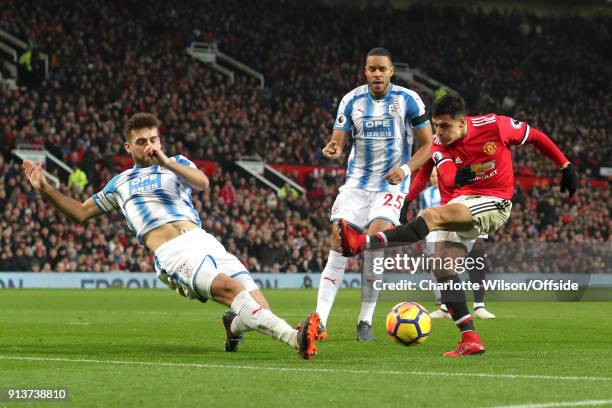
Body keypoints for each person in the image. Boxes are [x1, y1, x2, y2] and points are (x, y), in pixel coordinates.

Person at [23, 113, 321, 360]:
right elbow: (80, 212)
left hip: (203, 240)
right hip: (172, 252)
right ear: (129, 147)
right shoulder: (120, 183)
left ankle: (233, 327)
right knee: (230, 290)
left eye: (153, 139)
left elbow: (203, 183)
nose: (149, 145)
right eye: (141, 142)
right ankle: (295, 339)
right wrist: (46, 190)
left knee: (259, 310)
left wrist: (165, 161)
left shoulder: (176, 163)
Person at [339, 94, 577, 356]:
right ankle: (470, 339)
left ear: (462, 122)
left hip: (496, 200)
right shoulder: (440, 143)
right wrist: (441, 182)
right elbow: (450, 179)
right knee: (442, 267)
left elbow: (535, 136)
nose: (438, 132)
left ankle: (361, 242)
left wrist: (565, 165)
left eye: (444, 126)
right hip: (465, 200)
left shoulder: (495, 126)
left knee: (431, 216)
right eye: (435, 125)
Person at [316, 47, 433, 341]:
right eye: (372, 69)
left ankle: (365, 320)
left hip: (390, 186)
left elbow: (429, 144)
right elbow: (338, 139)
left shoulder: (408, 100)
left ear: (391, 71)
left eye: (382, 69)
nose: (377, 73)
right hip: (356, 184)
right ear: (365, 71)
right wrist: (334, 147)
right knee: (339, 242)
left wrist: (406, 170)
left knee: (376, 243)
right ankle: (320, 321)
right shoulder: (351, 100)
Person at [404, 163, 496, 319]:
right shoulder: (428, 193)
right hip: (446, 227)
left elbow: (487, 168)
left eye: (436, 176)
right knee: (445, 266)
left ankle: (479, 305)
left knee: (476, 259)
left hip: (474, 209)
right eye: (432, 176)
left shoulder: (472, 160)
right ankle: (446, 306)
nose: (434, 179)